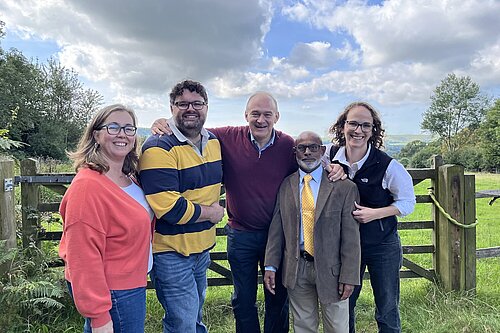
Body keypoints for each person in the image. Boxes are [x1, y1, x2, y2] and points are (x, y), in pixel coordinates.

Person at [151, 91, 346, 333]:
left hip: (279, 236)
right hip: (240, 234)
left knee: (278, 296)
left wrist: (334, 168)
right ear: (246, 115)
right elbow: (192, 127)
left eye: (267, 114)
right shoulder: (224, 137)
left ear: (276, 116)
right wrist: (164, 122)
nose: (260, 120)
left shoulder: (287, 145)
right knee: (243, 299)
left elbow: (312, 158)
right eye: (255, 114)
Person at [139, 80, 225, 333]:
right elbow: (169, 208)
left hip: (202, 250)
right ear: (171, 107)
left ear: (206, 107)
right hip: (171, 253)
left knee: (194, 317)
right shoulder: (158, 146)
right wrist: (212, 213)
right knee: (183, 324)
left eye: (197, 103)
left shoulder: (214, 142)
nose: (191, 109)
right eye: (183, 104)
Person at [59, 104, 153, 333]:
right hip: (114, 293)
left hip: (130, 285)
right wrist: (100, 317)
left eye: (129, 128)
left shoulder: (129, 178)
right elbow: (82, 256)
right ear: (96, 135)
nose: (122, 134)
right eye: (113, 127)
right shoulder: (88, 186)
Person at [326, 102, 416, 333]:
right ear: (342, 126)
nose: (359, 130)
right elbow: (305, 162)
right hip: (345, 246)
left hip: (381, 244)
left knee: (386, 306)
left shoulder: (388, 165)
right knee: (344, 303)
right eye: (353, 123)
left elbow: (407, 202)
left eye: (366, 125)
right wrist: (329, 170)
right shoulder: (328, 155)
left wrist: (376, 213)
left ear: (374, 130)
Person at [264, 131, 361, 333]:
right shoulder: (286, 185)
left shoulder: (344, 187)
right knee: (303, 326)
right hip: (297, 268)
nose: (307, 152)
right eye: (302, 148)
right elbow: (276, 229)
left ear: (322, 151)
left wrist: (349, 276)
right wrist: (271, 266)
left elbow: (351, 238)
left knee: (337, 327)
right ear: (295, 152)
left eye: (313, 147)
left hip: (332, 271)